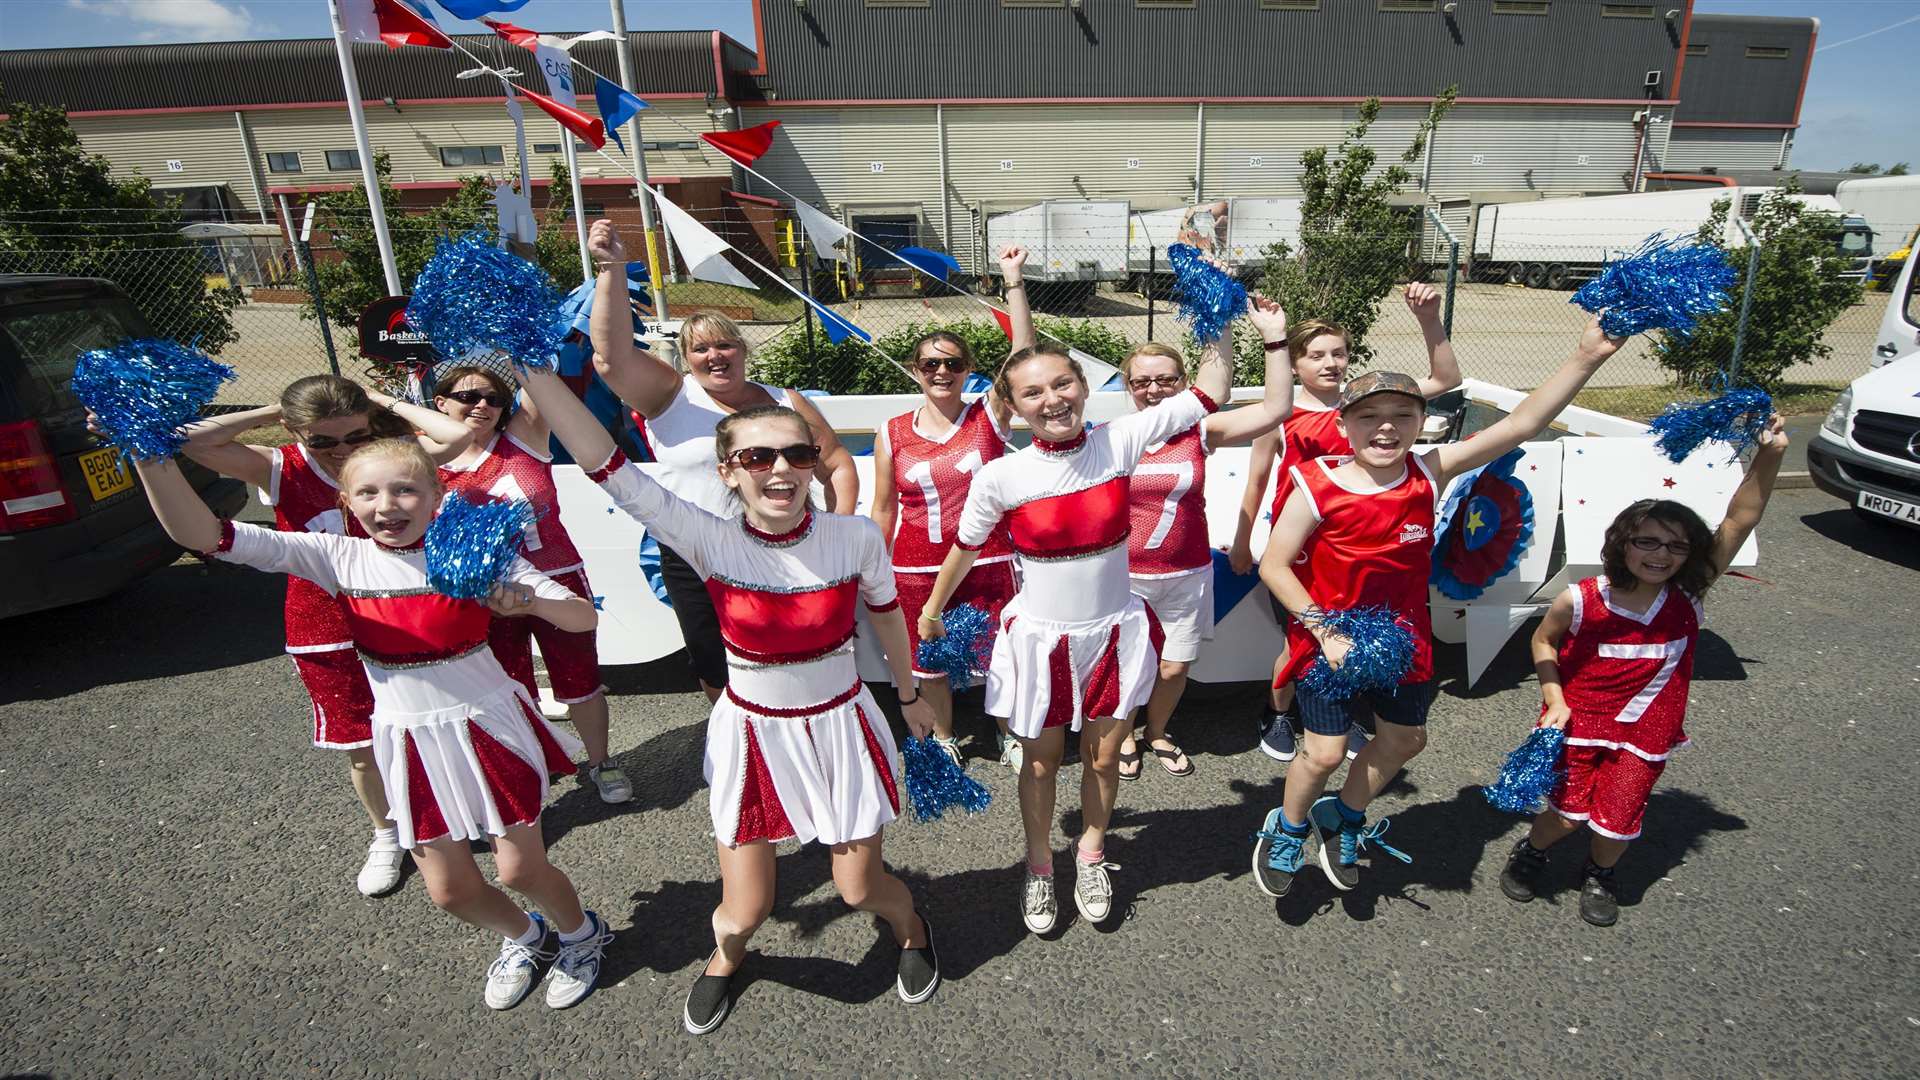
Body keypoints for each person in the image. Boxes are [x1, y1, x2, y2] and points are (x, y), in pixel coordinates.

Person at [517, 364, 940, 1036]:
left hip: (840, 728)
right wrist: (532, 369)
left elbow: (886, 615)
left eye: (797, 454)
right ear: (726, 471)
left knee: (860, 888)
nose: (781, 469)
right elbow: (606, 465)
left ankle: (912, 927)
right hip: (753, 737)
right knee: (745, 908)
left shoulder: (852, 536)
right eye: (757, 456)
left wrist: (911, 693)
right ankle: (729, 953)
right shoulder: (708, 538)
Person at [129, 436, 610, 1011]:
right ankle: (529, 938)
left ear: (437, 497)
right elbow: (205, 536)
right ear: (347, 502)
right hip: (406, 739)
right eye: (369, 492)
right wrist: (148, 455)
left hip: (489, 728)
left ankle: (582, 934)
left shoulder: (477, 554)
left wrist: (526, 602)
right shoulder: (335, 555)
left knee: (519, 868)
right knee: (449, 890)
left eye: (406, 489)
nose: (388, 505)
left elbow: (580, 617)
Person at [918, 300, 1293, 936]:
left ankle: (1090, 852)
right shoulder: (1003, 477)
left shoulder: (1123, 438)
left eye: (1063, 383)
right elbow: (965, 548)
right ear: (1013, 406)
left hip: (1114, 635)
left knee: (1102, 757)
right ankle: (1040, 867)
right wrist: (930, 610)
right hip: (1042, 642)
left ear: (1086, 387)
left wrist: (1238, 321)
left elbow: (1215, 389)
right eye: (1032, 392)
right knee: (1039, 763)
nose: (1053, 399)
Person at [1250, 318, 1622, 901]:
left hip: (1404, 638)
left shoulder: (1429, 470)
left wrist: (1586, 357)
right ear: (1343, 424)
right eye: (1369, 416)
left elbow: (1524, 422)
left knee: (1405, 741)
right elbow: (1275, 566)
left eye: (1402, 415)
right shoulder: (1314, 482)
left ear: (1422, 424)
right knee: (1321, 752)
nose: (1386, 428)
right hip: (1329, 638)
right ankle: (1287, 828)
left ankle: (1344, 818)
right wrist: (1323, 631)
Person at [178, 375, 473, 897]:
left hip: (407, 614)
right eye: (323, 440)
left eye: (354, 436)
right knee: (359, 742)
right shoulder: (279, 465)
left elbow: (453, 438)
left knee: (438, 721)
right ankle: (387, 833)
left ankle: (447, 814)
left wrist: (378, 401)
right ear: (299, 433)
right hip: (325, 624)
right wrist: (273, 412)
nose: (342, 452)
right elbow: (192, 441)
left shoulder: (391, 456)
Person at [1499, 416, 1787, 926]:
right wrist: (1555, 697)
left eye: (1676, 546)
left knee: (1617, 821)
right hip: (1578, 724)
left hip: (1647, 731)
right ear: (1622, 544)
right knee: (1566, 815)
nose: (1661, 555)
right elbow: (1542, 640)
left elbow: (1739, 520)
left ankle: (1600, 873)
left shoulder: (1687, 595)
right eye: (1648, 542)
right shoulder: (1582, 599)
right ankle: (1533, 850)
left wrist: (1770, 455)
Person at [584, 219, 859, 704]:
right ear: (686, 358)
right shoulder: (671, 395)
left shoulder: (785, 401)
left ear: (743, 349)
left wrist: (838, 532)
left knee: (787, 653)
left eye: (725, 343)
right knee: (713, 661)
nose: (715, 355)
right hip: (695, 554)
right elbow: (611, 359)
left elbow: (836, 463)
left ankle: (791, 727)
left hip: (782, 548)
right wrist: (610, 268)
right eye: (700, 348)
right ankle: (736, 745)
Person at [1230, 285, 1462, 765]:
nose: (1329, 363)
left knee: (1364, 632)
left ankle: (1342, 711)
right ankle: (1278, 712)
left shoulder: (1371, 404)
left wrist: (1429, 319)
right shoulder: (1280, 413)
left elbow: (1447, 377)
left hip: (1365, 542)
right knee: (1300, 640)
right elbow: (1255, 483)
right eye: (1315, 355)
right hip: (1300, 551)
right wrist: (1242, 542)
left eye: (1338, 353)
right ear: (1294, 365)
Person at [432, 363, 629, 805]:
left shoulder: (522, 439)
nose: (482, 405)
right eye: (468, 397)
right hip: (486, 591)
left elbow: (540, 379)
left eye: (493, 399)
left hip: (555, 578)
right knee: (506, 685)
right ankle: (526, 766)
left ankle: (601, 761)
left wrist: (516, 339)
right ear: (440, 403)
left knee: (579, 678)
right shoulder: (425, 462)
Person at [1112, 307, 1293, 782]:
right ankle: (1125, 732)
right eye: (1141, 382)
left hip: (1187, 574)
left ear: (1184, 382)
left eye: (1166, 380)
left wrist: (1272, 339)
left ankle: (1157, 731)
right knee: (1127, 666)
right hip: (1123, 579)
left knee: (1174, 669)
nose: (1153, 390)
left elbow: (1276, 411)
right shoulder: (1112, 438)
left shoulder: (1199, 430)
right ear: (1127, 386)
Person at [868, 304, 1020, 771]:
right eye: (931, 364)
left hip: (988, 560)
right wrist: (872, 565)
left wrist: (1013, 286)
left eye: (953, 363)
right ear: (915, 370)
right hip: (916, 566)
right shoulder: (892, 432)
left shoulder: (987, 418)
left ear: (968, 369)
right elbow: (884, 506)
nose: (942, 372)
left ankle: (1008, 733)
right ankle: (945, 735)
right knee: (929, 659)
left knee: (1002, 655)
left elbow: (1022, 360)